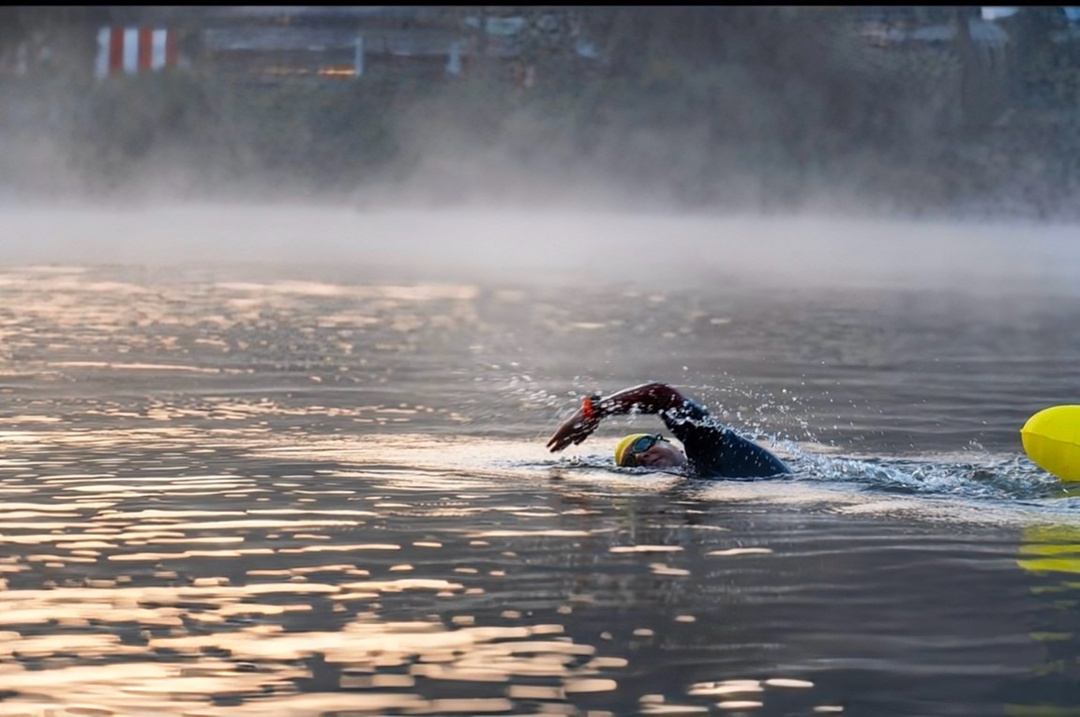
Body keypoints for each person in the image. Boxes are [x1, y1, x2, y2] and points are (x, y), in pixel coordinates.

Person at [546, 382, 791, 478]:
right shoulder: (698, 472)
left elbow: (662, 395)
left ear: (669, 442)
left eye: (642, 445)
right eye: (631, 462)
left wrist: (593, 411)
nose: (640, 457)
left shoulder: (708, 446)